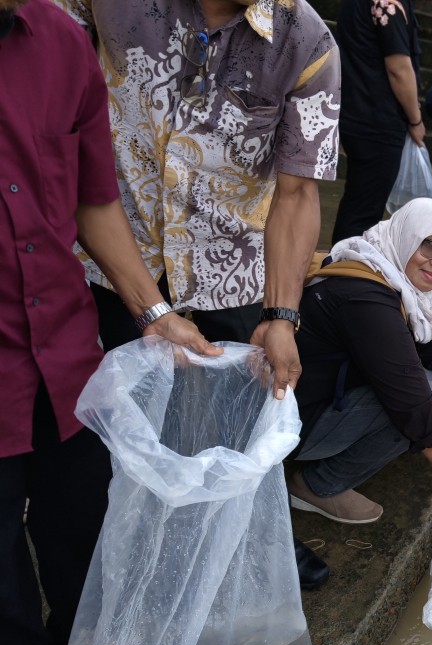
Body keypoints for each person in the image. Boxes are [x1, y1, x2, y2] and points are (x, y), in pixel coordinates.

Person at [56, 0, 342, 589]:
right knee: (107, 423)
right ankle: (114, 555)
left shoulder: (308, 42)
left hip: (230, 266)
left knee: (239, 421)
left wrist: (282, 313)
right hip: (110, 252)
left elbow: (296, 193)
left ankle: (259, 538)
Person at [0, 0, 217, 645]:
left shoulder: (65, 43)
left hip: (62, 348)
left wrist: (152, 310)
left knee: (80, 515)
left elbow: (94, 200)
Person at [288, 199, 432, 551]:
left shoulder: (389, 275)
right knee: (430, 399)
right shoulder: (366, 298)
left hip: (321, 398)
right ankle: (315, 485)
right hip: (294, 424)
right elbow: (416, 410)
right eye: (429, 244)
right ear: (407, 234)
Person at [331, 0, 424, 242]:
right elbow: (399, 69)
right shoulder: (388, 5)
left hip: (355, 110)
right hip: (378, 119)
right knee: (364, 210)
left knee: (357, 201)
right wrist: (415, 119)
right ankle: (341, 271)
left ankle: (339, 268)